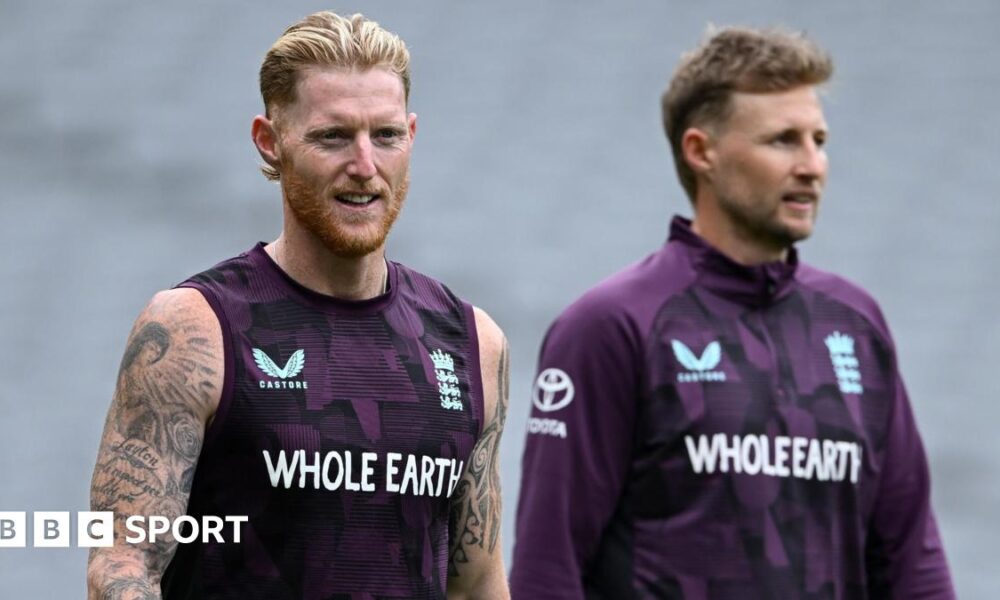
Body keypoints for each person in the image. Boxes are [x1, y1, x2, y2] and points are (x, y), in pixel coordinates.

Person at [509, 26, 954, 599]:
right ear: (702, 152)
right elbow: (548, 568)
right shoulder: (612, 326)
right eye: (783, 140)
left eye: (819, 140)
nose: (813, 165)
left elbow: (913, 561)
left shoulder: (855, 324)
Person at [86, 11, 510, 599]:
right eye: (332, 136)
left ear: (411, 134)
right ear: (270, 140)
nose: (365, 166)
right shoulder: (194, 331)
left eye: (385, 135)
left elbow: (476, 584)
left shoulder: (473, 344)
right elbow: (122, 567)